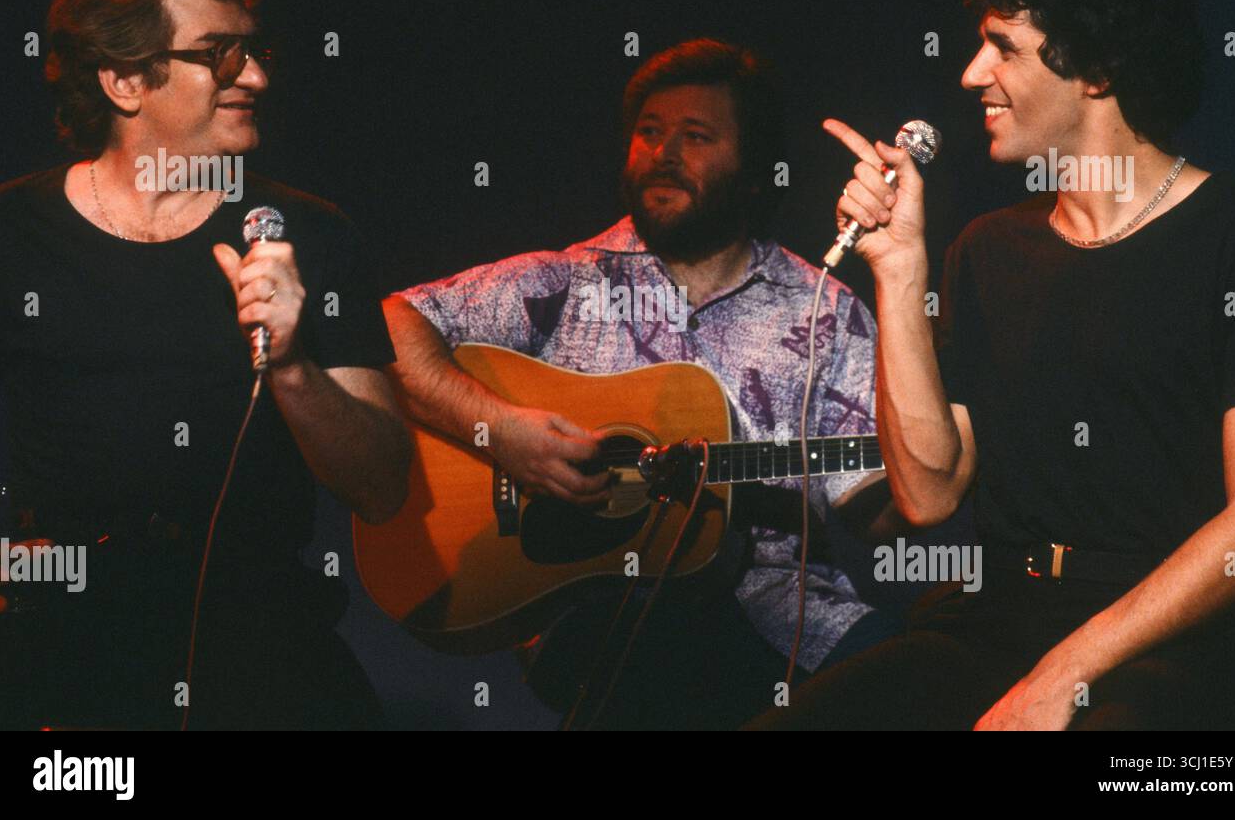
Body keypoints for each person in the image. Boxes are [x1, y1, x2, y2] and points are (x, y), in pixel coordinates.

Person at [757, 0, 1235, 730]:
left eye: (1004, 46)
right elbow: (928, 497)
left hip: (1175, 643)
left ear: (1096, 68)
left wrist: (1066, 672)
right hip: (992, 621)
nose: (973, 75)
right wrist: (901, 271)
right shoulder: (989, 250)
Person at [384, 38, 901, 729]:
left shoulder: (827, 312)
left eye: (695, 136)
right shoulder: (566, 281)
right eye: (650, 133)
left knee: (913, 679)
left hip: (789, 619)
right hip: (600, 615)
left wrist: (929, 466)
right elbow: (385, 328)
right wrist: (503, 432)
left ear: (753, 169)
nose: (664, 153)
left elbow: (880, 506)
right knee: (667, 648)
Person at [0, 0, 412, 729]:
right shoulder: (6, 234)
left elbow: (384, 486)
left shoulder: (311, 236)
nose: (253, 74)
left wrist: (291, 366)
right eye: (217, 53)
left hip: (264, 665)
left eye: (254, 51)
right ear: (122, 79)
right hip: (65, 670)